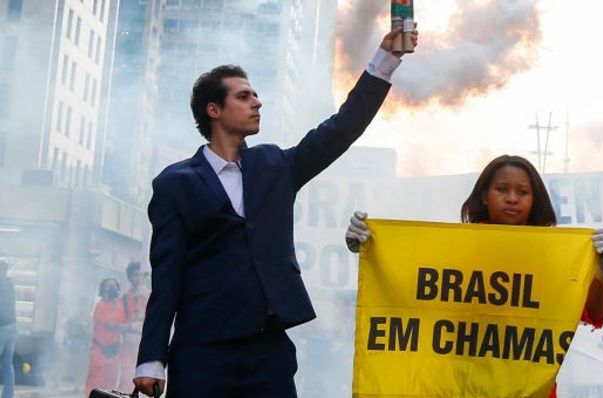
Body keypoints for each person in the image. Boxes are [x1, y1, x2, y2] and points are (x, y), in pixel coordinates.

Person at [132, 28, 419, 397]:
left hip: (268, 352)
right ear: (214, 110)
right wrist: (151, 358)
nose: (257, 102)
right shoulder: (174, 183)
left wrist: (386, 59)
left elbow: (340, 129)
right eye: (244, 96)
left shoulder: (274, 165)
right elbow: (167, 276)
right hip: (201, 352)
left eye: (255, 94)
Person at [344, 154, 603, 397]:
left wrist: (602, 273)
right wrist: (373, 249)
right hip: (461, 386)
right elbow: (412, 294)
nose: (512, 198)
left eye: (522, 191)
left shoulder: (554, 254)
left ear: (534, 200)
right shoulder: (458, 248)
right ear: (485, 196)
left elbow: (591, 315)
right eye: (502, 189)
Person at [87, 278, 126, 393]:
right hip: (99, 348)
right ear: (103, 289)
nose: (112, 288)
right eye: (109, 286)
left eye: (114, 286)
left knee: (111, 381)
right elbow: (112, 324)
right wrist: (129, 326)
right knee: (96, 381)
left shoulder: (121, 305)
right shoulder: (100, 306)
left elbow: (125, 320)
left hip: (115, 348)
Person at [116, 262, 148, 393]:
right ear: (129, 277)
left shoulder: (151, 296)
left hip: (145, 343)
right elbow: (118, 323)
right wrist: (130, 325)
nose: (139, 278)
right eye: (136, 275)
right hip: (128, 343)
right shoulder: (124, 298)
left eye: (142, 275)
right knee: (127, 377)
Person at [0, 260, 15, 398]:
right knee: (7, 364)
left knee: (6, 364)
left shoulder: (1, 285)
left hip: (2, 328)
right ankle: (8, 395)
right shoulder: (10, 284)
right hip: (12, 329)